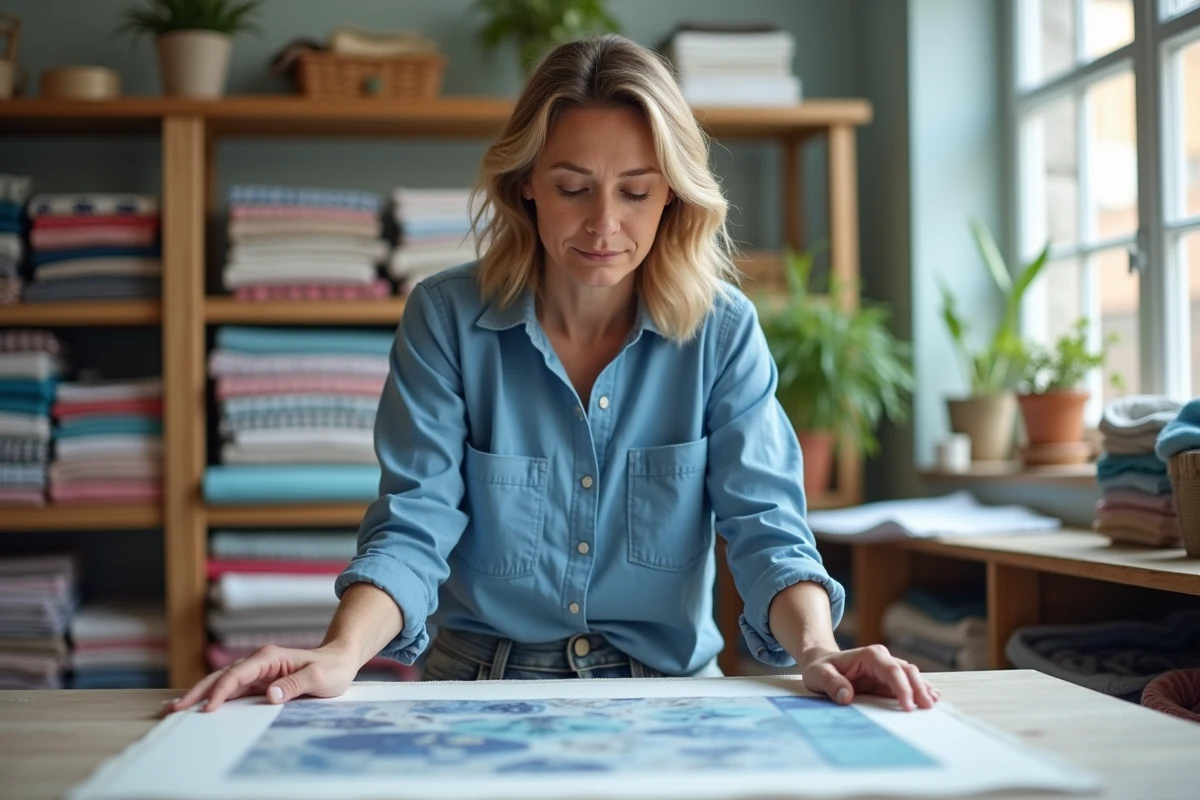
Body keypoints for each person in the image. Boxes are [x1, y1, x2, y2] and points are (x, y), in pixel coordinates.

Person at [170, 34, 938, 715]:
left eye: (636, 191)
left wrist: (816, 651)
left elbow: (766, 526)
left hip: (666, 693)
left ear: (672, 193)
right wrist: (340, 654)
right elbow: (414, 523)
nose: (605, 224)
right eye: (573, 187)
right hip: (475, 689)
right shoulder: (446, 318)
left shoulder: (722, 330)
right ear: (526, 184)